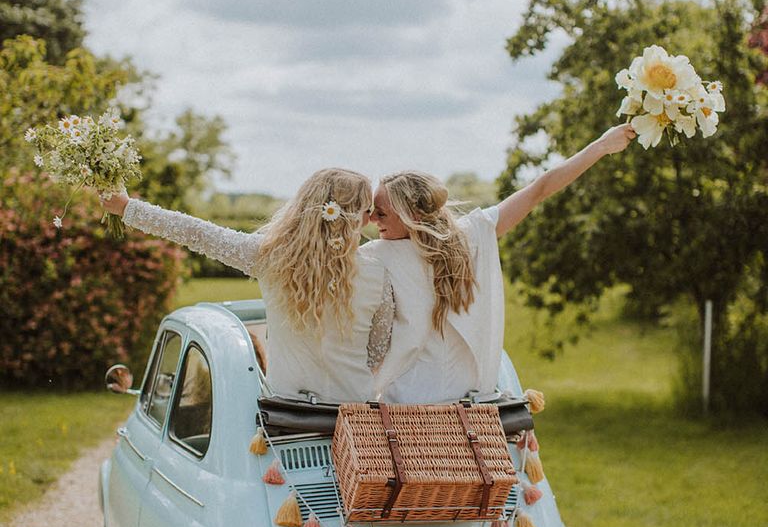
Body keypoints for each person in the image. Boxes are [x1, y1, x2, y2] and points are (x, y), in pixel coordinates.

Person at [364, 124, 636, 403]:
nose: (372, 220)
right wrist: (600, 146)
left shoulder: (377, 255)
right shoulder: (470, 237)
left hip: (406, 403)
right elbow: (538, 190)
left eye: (380, 213)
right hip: (469, 402)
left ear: (413, 215)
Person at [101, 168, 394, 403]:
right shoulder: (378, 272)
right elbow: (378, 351)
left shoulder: (270, 257)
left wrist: (127, 209)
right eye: (367, 210)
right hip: (357, 417)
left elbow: (197, 234)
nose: (370, 218)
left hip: (288, 413)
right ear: (353, 217)